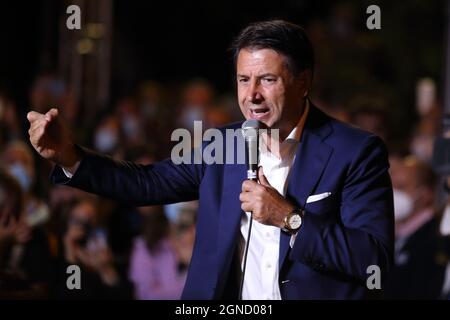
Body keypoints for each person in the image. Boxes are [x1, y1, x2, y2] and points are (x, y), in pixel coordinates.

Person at [27, 20, 394, 299]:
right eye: (243, 80)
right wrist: (70, 156)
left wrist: (290, 218)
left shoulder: (355, 152)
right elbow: (146, 183)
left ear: (302, 83)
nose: (252, 95)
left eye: (267, 80)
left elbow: (373, 259)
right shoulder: (223, 143)